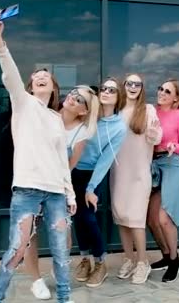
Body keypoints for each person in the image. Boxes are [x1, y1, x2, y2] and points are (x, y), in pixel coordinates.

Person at [0, 11, 76, 303]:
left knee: (62, 253)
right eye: (36, 77)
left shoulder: (55, 119)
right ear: (29, 85)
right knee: (16, 248)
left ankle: (65, 298)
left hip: (55, 193)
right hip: (26, 189)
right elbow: (9, 71)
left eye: (46, 77)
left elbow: (62, 161)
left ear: (53, 88)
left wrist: (70, 194)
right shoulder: (22, 104)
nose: (40, 78)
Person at [25, 85, 99, 300]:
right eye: (73, 94)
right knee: (29, 233)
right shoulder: (46, 115)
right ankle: (36, 281)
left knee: (64, 233)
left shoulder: (81, 132)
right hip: (31, 181)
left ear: (84, 111)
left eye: (80, 100)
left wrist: (67, 193)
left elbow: (69, 166)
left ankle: (58, 270)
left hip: (57, 185)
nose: (73, 99)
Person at [73, 78, 127, 288]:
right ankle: (85, 259)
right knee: (77, 217)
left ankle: (101, 262)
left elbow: (105, 161)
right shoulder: (88, 115)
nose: (105, 92)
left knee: (89, 218)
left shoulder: (119, 128)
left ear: (117, 96)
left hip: (92, 176)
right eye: (103, 88)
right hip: (72, 170)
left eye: (111, 90)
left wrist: (91, 188)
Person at [109, 73, 162, 284]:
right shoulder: (117, 111)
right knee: (121, 216)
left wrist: (153, 132)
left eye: (137, 84)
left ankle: (143, 262)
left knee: (137, 219)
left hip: (140, 173)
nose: (132, 87)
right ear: (124, 86)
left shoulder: (148, 110)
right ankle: (129, 259)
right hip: (119, 172)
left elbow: (157, 137)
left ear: (141, 88)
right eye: (129, 83)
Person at [147, 78, 179, 283]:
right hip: (152, 167)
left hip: (171, 166)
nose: (162, 93)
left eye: (168, 91)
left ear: (176, 98)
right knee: (151, 220)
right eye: (161, 88)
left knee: (163, 219)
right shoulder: (151, 112)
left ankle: (175, 260)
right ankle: (166, 256)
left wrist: (172, 147)